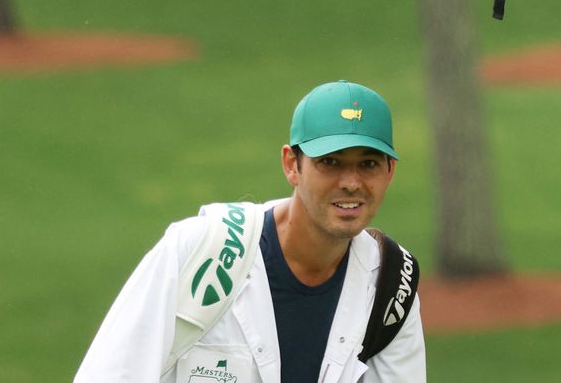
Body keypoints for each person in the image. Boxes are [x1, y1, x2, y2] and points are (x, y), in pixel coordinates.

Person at [75, 80, 426, 382]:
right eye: (330, 162)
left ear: (390, 172)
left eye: (368, 164)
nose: (351, 183)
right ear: (292, 165)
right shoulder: (200, 250)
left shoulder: (392, 285)